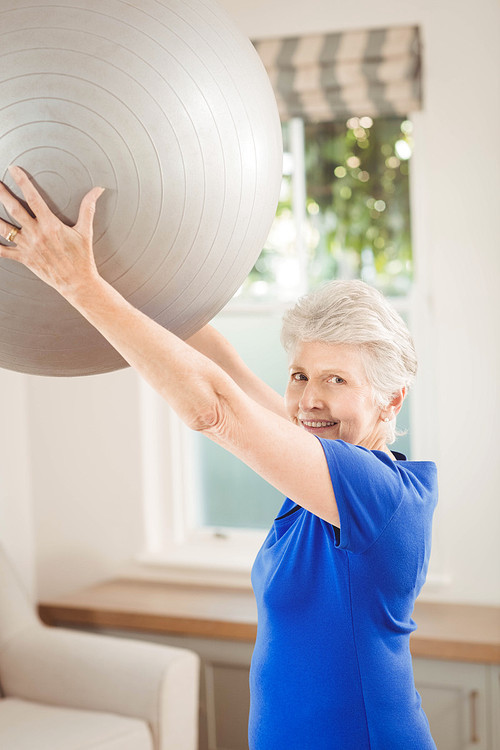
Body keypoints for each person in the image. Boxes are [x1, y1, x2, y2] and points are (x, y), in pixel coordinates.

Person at [0, 166, 438, 750]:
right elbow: (225, 365)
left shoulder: (372, 489)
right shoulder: (322, 459)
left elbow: (216, 408)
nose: (309, 400)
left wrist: (78, 283)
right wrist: (127, 261)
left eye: (337, 379)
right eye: (300, 375)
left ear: (391, 399)